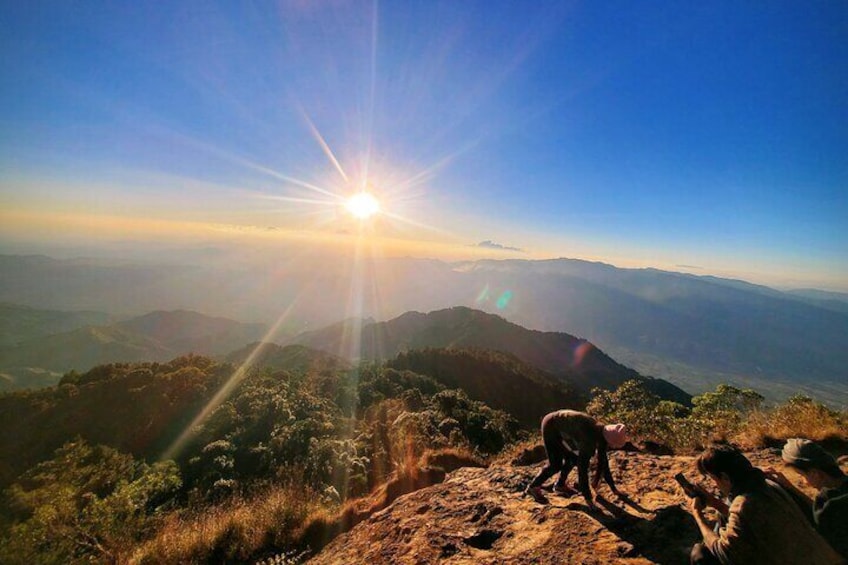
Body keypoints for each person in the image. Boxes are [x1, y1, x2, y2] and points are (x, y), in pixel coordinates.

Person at [685, 444, 842, 565]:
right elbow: (749, 521)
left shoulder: (744, 504)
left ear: (725, 477)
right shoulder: (768, 484)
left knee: (700, 554)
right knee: (722, 517)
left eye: (714, 479)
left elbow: (724, 552)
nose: (716, 484)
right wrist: (716, 504)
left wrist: (698, 515)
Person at [524, 409, 627, 508]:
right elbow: (582, 469)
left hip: (564, 428)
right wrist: (588, 499)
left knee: (572, 458)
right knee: (556, 464)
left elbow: (603, 462)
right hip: (551, 425)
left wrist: (614, 489)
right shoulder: (589, 439)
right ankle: (533, 487)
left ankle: (560, 485)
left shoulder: (603, 433)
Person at [765, 438, 848, 559]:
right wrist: (791, 488)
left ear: (815, 473)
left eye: (802, 475)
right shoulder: (838, 494)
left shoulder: (830, 503)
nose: (805, 483)